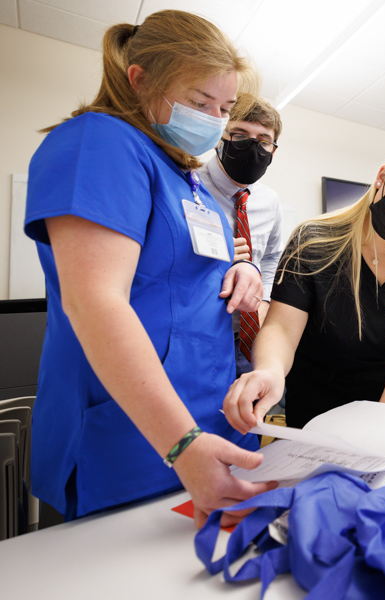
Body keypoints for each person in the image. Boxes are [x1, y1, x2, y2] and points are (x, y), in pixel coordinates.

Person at [24, 10, 276, 527]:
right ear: (140, 80)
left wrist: (241, 269)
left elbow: (178, 272)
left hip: (209, 421)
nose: (213, 117)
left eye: (224, 107)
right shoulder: (99, 142)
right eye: (199, 102)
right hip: (136, 438)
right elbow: (95, 300)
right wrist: (182, 443)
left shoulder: (187, 176)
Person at [223, 141, 385, 430]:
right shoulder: (315, 242)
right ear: (381, 178)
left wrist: (381, 425)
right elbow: (282, 327)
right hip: (317, 413)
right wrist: (270, 371)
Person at [197, 93, 283, 376]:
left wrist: (266, 301)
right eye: (240, 134)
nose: (252, 145)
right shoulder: (188, 184)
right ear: (220, 136)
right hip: (197, 333)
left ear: (273, 149)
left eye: (264, 140)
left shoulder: (269, 201)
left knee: (247, 416)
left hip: (248, 335)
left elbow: (271, 257)